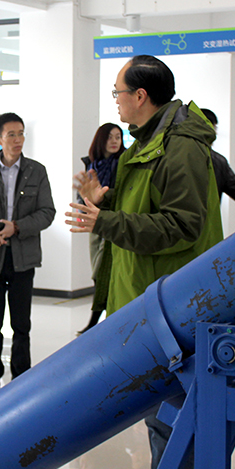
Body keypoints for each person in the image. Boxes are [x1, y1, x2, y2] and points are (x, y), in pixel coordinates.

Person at [67, 55, 223, 469]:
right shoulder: (145, 144)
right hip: (146, 302)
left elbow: (183, 226)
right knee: (161, 421)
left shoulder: (180, 147)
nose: (115, 100)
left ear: (140, 96)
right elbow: (146, 210)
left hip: (172, 306)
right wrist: (105, 203)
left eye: (118, 92)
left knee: (173, 422)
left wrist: (106, 222)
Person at [0, 112, 55, 398]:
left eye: (21, 133)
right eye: (11, 135)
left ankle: (21, 378)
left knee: (21, 325)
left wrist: (16, 227)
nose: (18, 140)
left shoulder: (36, 171)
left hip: (22, 258)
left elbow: (47, 212)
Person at [76, 123, 125, 335]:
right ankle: (99, 320)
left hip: (116, 224)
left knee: (107, 274)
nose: (114, 141)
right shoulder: (92, 165)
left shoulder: (124, 162)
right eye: (110, 137)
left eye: (118, 137)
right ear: (100, 140)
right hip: (96, 227)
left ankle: (98, 321)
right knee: (98, 274)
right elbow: (82, 196)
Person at [200, 109, 235, 211]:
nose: (215, 133)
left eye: (215, 128)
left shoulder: (219, 162)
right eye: (214, 128)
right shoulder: (179, 157)